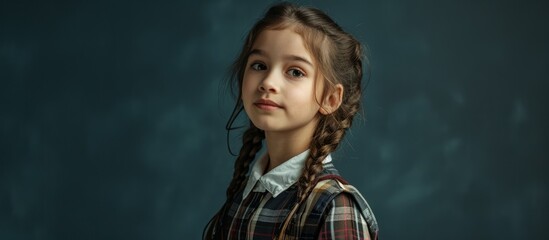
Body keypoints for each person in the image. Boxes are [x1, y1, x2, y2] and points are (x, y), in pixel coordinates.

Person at [203, 2, 378, 239]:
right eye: (259, 65)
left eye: (295, 71)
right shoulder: (243, 196)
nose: (268, 82)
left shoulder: (334, 207)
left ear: (330, 98)